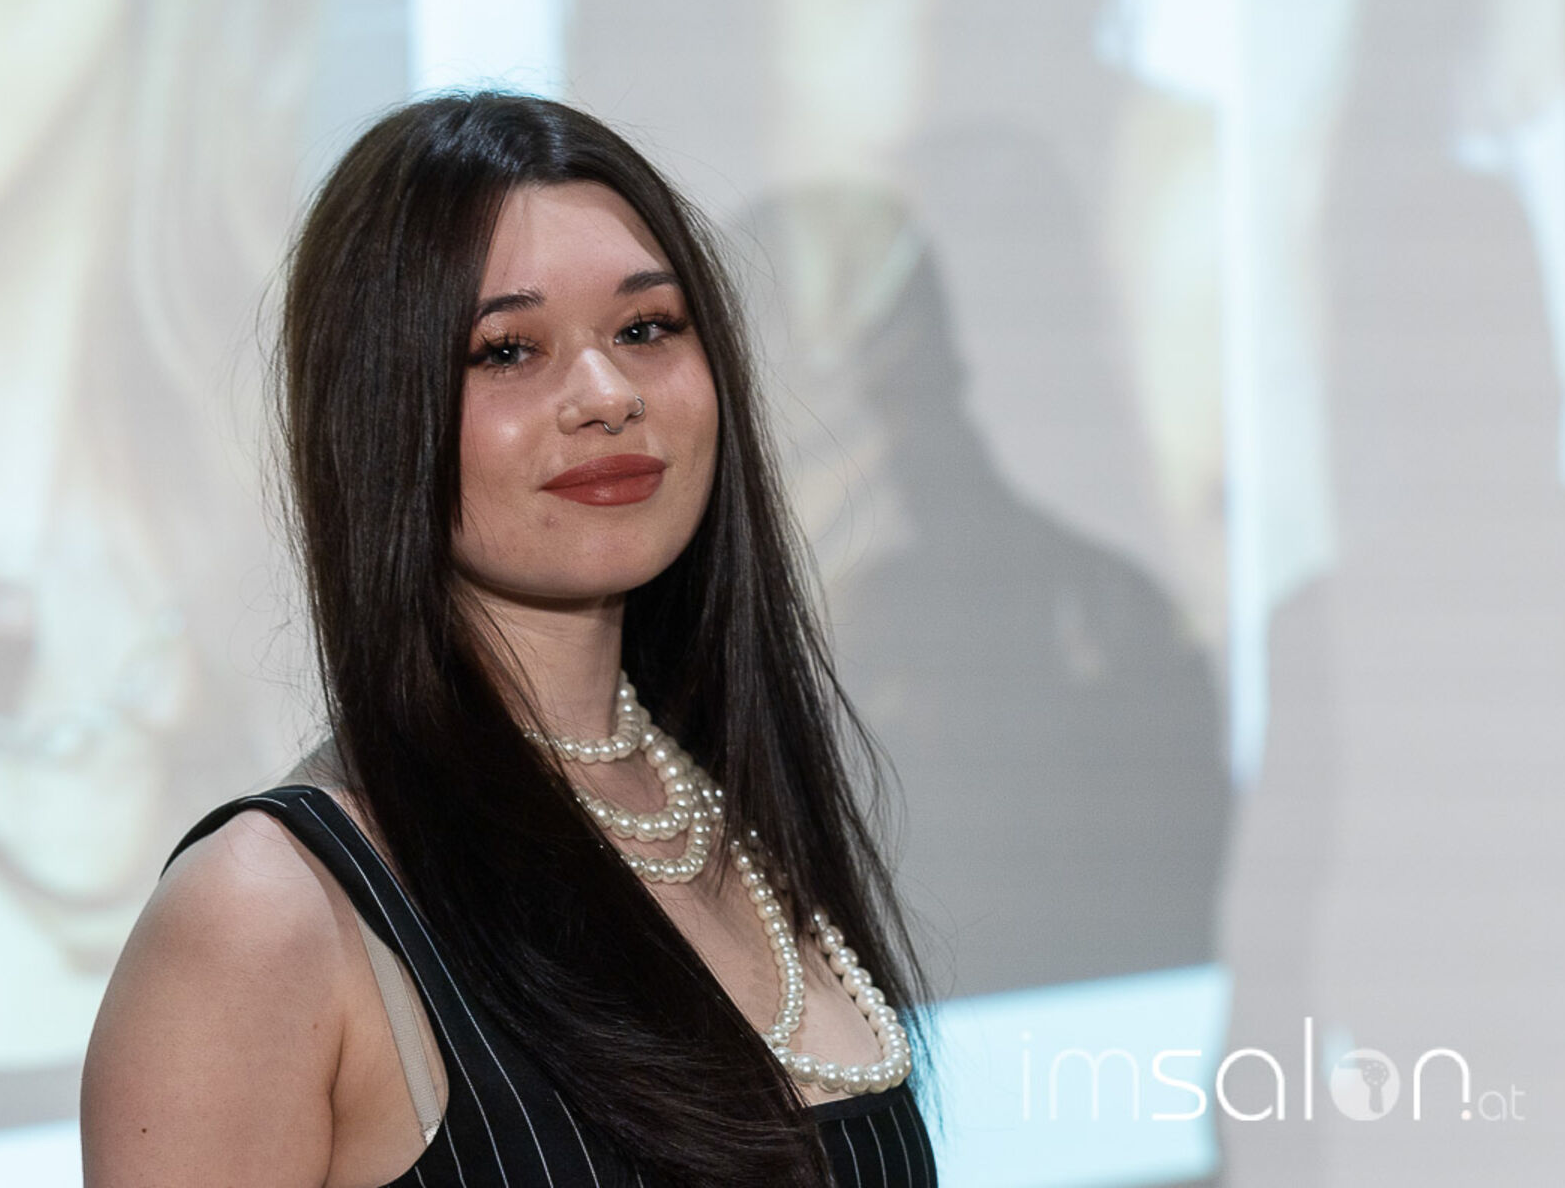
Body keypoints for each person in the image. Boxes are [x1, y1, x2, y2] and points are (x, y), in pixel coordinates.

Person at [81, 92, 940, 1187]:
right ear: (376, 409)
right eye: (507, 349)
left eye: (646, 329)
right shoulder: (266, 912)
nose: (607, 395)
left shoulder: (738, 813)